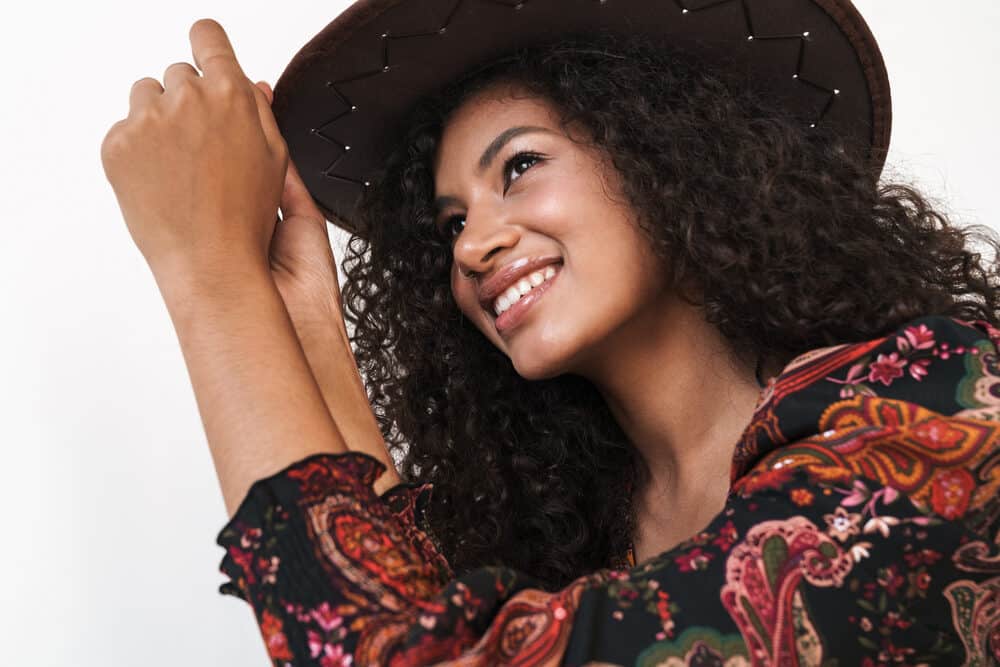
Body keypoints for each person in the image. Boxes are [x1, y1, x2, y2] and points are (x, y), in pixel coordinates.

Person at [100, 4, 1000, 666]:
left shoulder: (931, 411)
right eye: (450, 223)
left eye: (520, 166)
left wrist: (206, 270)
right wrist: (296, 317)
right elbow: (415, 612)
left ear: (672, 157)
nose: (477, 245)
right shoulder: (585, 540)